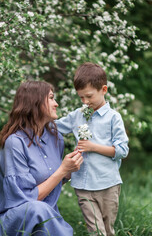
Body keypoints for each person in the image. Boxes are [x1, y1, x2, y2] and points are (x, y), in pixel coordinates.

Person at [0, 80, 83, 236]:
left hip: (44, 220)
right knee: (38, 208)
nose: (56, 103)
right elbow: (25, 199)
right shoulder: (15, 143)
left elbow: (51, 182)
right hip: (10, 222)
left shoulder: (56, 138)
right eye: (51, 98)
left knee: (43, 212)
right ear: (35, 102)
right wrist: (62, 170)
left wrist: (69, 171)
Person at [55, 62, 129, 236]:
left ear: (103, 90)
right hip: (84, 185)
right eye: (81, 98)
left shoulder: (114, 118)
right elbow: (54, 127)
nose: (85, 102)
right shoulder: (77, 115)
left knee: (108, 230)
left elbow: (122, 150)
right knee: (95, 230)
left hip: (108, 184)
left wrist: (93, 147)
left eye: (89, 96)